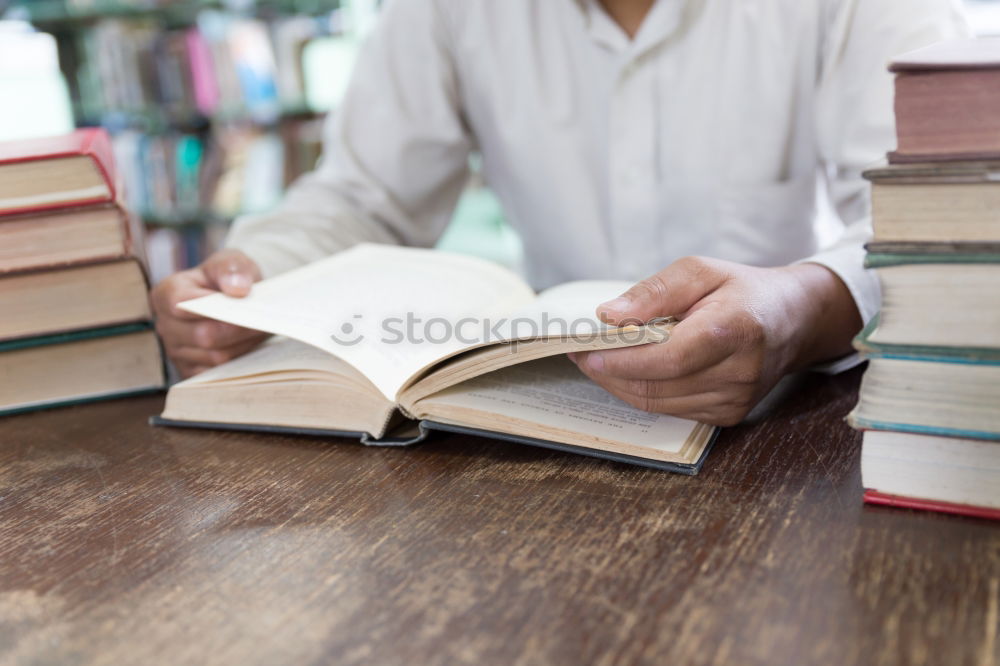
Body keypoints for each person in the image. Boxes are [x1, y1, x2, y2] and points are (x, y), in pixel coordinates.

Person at [152, 0, 967, 426]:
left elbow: (943, 215)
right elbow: (365, 194)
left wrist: (806, 305)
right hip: (549, 405)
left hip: (817, 413)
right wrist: (253, 278)